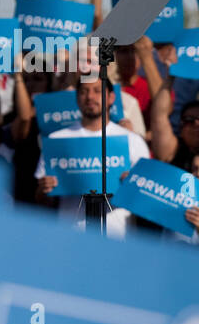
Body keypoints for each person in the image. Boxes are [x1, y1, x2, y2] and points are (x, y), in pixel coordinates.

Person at [34, 77, 152, 238]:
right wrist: (44, 189)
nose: (90, 97)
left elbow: (147, 202)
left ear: (111, 97)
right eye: (84, 91)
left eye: (97, 91)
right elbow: (41, 201)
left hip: (118, 240)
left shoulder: (132, 141)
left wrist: (134, 185)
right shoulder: (57, 140)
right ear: (76, 98)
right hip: (70, 239)